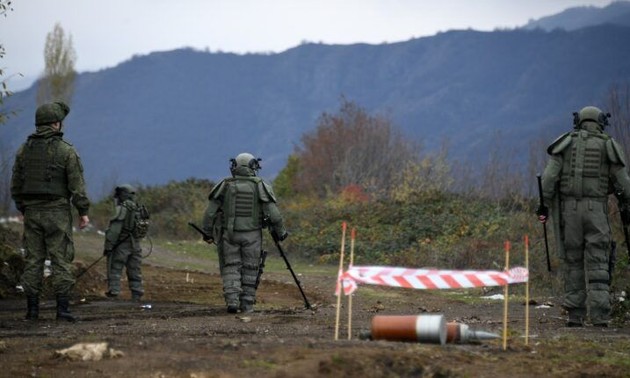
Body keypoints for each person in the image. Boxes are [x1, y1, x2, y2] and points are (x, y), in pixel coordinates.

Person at [537, 105, 630, 327]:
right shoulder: (608, 145)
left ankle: (575, 315)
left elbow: (548, 180)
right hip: (596, 210)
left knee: (573, 261)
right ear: (600, 122)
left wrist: (543, 207)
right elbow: (624, 185)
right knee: (598, 261)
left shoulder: (565, 143)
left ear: (578, 121)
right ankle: (599, 317)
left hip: (569, 213)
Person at [10, 101, 90, 322]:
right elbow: (77, 186)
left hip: (32, 213)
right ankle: (62, 310)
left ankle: (32, 310)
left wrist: (22, 207)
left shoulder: (24, 150)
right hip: (57, 212)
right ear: (56, 123)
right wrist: (83, 211)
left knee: (33, 260)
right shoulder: (66, 150)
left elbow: (16, 183)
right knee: (60, 259)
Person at [202, 152, 287, 313]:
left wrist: (207, 232)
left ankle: (232, 301)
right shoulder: (260, 185)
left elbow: (210, 213)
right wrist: (281, 232)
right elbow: (274, 215)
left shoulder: (225, 185)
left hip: (229, 234)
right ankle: (247, 304)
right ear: (253, 166)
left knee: (231, 267)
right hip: (252, 235)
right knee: (250, 267)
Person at [104, 184, 146, 301]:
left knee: (116, 267)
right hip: (136, 244)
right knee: (135, 269)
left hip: (122, 244)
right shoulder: (138, 209)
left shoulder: (122, 209)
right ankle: (137, 293)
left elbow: (114, 230)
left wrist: (109, 246)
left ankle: (114, 291)